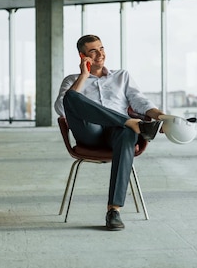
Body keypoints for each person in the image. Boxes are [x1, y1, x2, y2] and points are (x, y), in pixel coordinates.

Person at [54, 34, 165, 231]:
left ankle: (114, 211)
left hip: (118, 133)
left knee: (127, 134)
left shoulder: (121, 76)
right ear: (82, 56)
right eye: (93, 51)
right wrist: (83, 76)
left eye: (102, 48)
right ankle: (132, 123)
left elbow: (140, 101)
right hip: (90, 133)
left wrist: (161, 116)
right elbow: (62, 110)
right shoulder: (72, 80)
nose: (100, 54)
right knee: (71, 98)